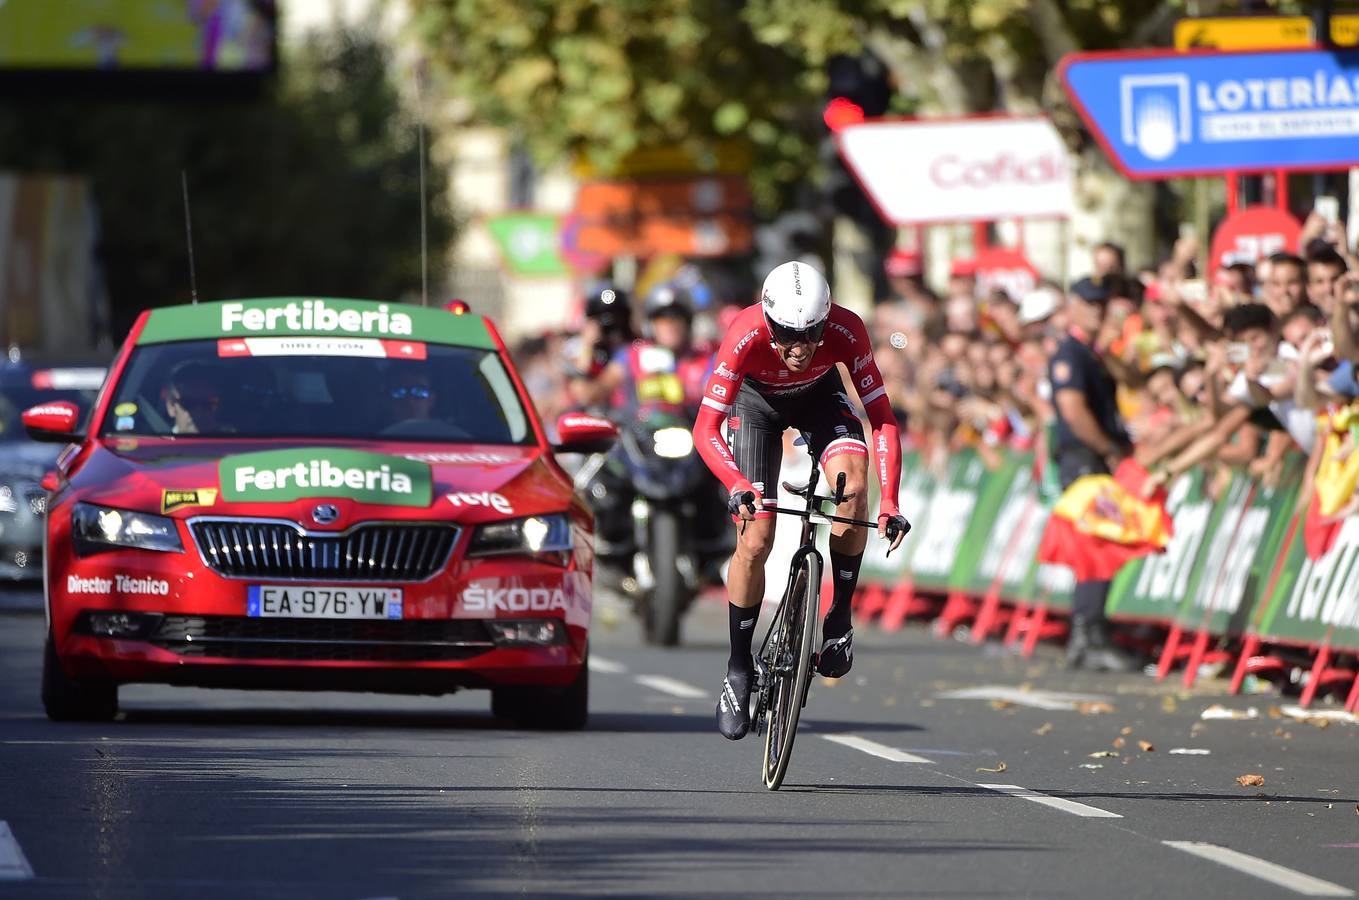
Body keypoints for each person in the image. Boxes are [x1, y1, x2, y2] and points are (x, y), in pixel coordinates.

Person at [693, 261, 910, 740]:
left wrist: (890, 501)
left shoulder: (847, 330)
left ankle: (839, 616)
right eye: (787, 335)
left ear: (825, 320)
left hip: (819, 398)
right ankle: (738, 668)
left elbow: (882, 418)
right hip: (755, 408)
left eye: (811, 334)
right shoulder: (744, 334)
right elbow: (705, 428)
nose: (799, 347)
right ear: (769, 322)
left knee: (853, 487)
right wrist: (736, 482)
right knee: (756, 538)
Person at [578, 283, 725, 578]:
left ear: (688, 322)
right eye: (662, 318)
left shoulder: (704, 359)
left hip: (687, 444)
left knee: (720, 482)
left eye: (676, 318)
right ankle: (614, 545)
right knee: (599, 481)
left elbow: (724, 392)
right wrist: (587, 349)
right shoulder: (632, 357)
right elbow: (592, 392)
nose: (670, 325)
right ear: (651, 323)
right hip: (636, 444)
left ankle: (711, 548)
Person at [1048, 276, 1136, 672]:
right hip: (1085, 458)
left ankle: (1089, 635)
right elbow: (1074, 411)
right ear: (1073, 308)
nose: (1097, 311)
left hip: (1090, 458)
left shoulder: (1095, 352)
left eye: (1101, 304)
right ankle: (1088, 635)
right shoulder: (1071, 353)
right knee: (1095, 545)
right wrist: (1109, 448)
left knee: (1098, 544)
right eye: (1089, 304)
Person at [164, 361, 229, 435]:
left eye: (207, 404)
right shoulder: (159, 441)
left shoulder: (232, 440)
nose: (199, 412)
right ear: (171, 406)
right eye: (189, 403)